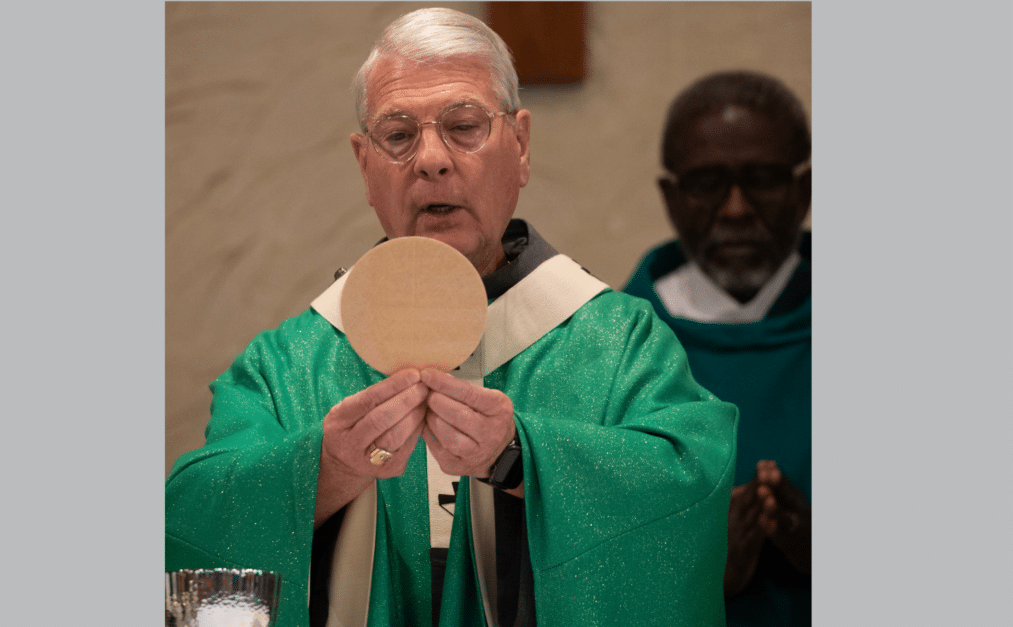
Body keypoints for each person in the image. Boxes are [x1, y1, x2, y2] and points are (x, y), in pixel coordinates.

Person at [166, 9, 738, 627]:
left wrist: (523, 457)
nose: (431, 160)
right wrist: (322, 470)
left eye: (464, 126)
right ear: (365, 167)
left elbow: (690, 490)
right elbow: (193, 523)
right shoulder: (290, 364)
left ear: (519, 147)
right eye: (399, 135)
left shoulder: (619, 345)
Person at [623, 70, 812, 627]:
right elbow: (570, 556)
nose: (735, 209)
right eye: (708, 183)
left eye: (761, 179)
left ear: (805, 189)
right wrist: (693, 568)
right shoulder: (612, 348)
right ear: (670, 197)